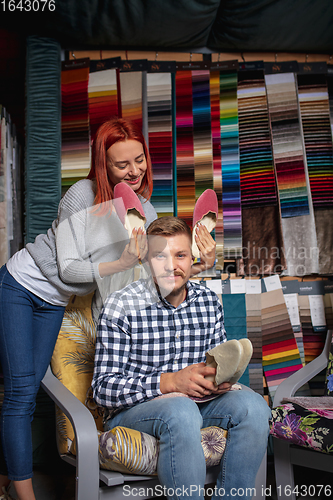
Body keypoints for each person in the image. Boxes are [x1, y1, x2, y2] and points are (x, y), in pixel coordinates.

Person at [0, 118, 216, 500]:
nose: (134, 171)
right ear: (104, 165)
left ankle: (11, 478)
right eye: (122, 165)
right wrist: (120, 263)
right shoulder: (81, 196)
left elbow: (160, 270)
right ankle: (23, 493)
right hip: (22, 284)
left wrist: (199, 264)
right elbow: (67, 269)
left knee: (29, 390)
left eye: (140, 160)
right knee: (20, 394)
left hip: (55, 301)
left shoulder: (143, 209)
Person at [92, 216, 271, 500]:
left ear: (192, 258)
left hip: (199, 405)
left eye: (180, 255)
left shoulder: (208, 302)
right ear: (145, 259)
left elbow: (214, 363)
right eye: (159, 255)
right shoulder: (121, 304)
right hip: (135, 413)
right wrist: (171, 382)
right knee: (181, 410)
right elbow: (103, 389)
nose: (171, 265)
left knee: (254, 407)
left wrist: (219, 379)